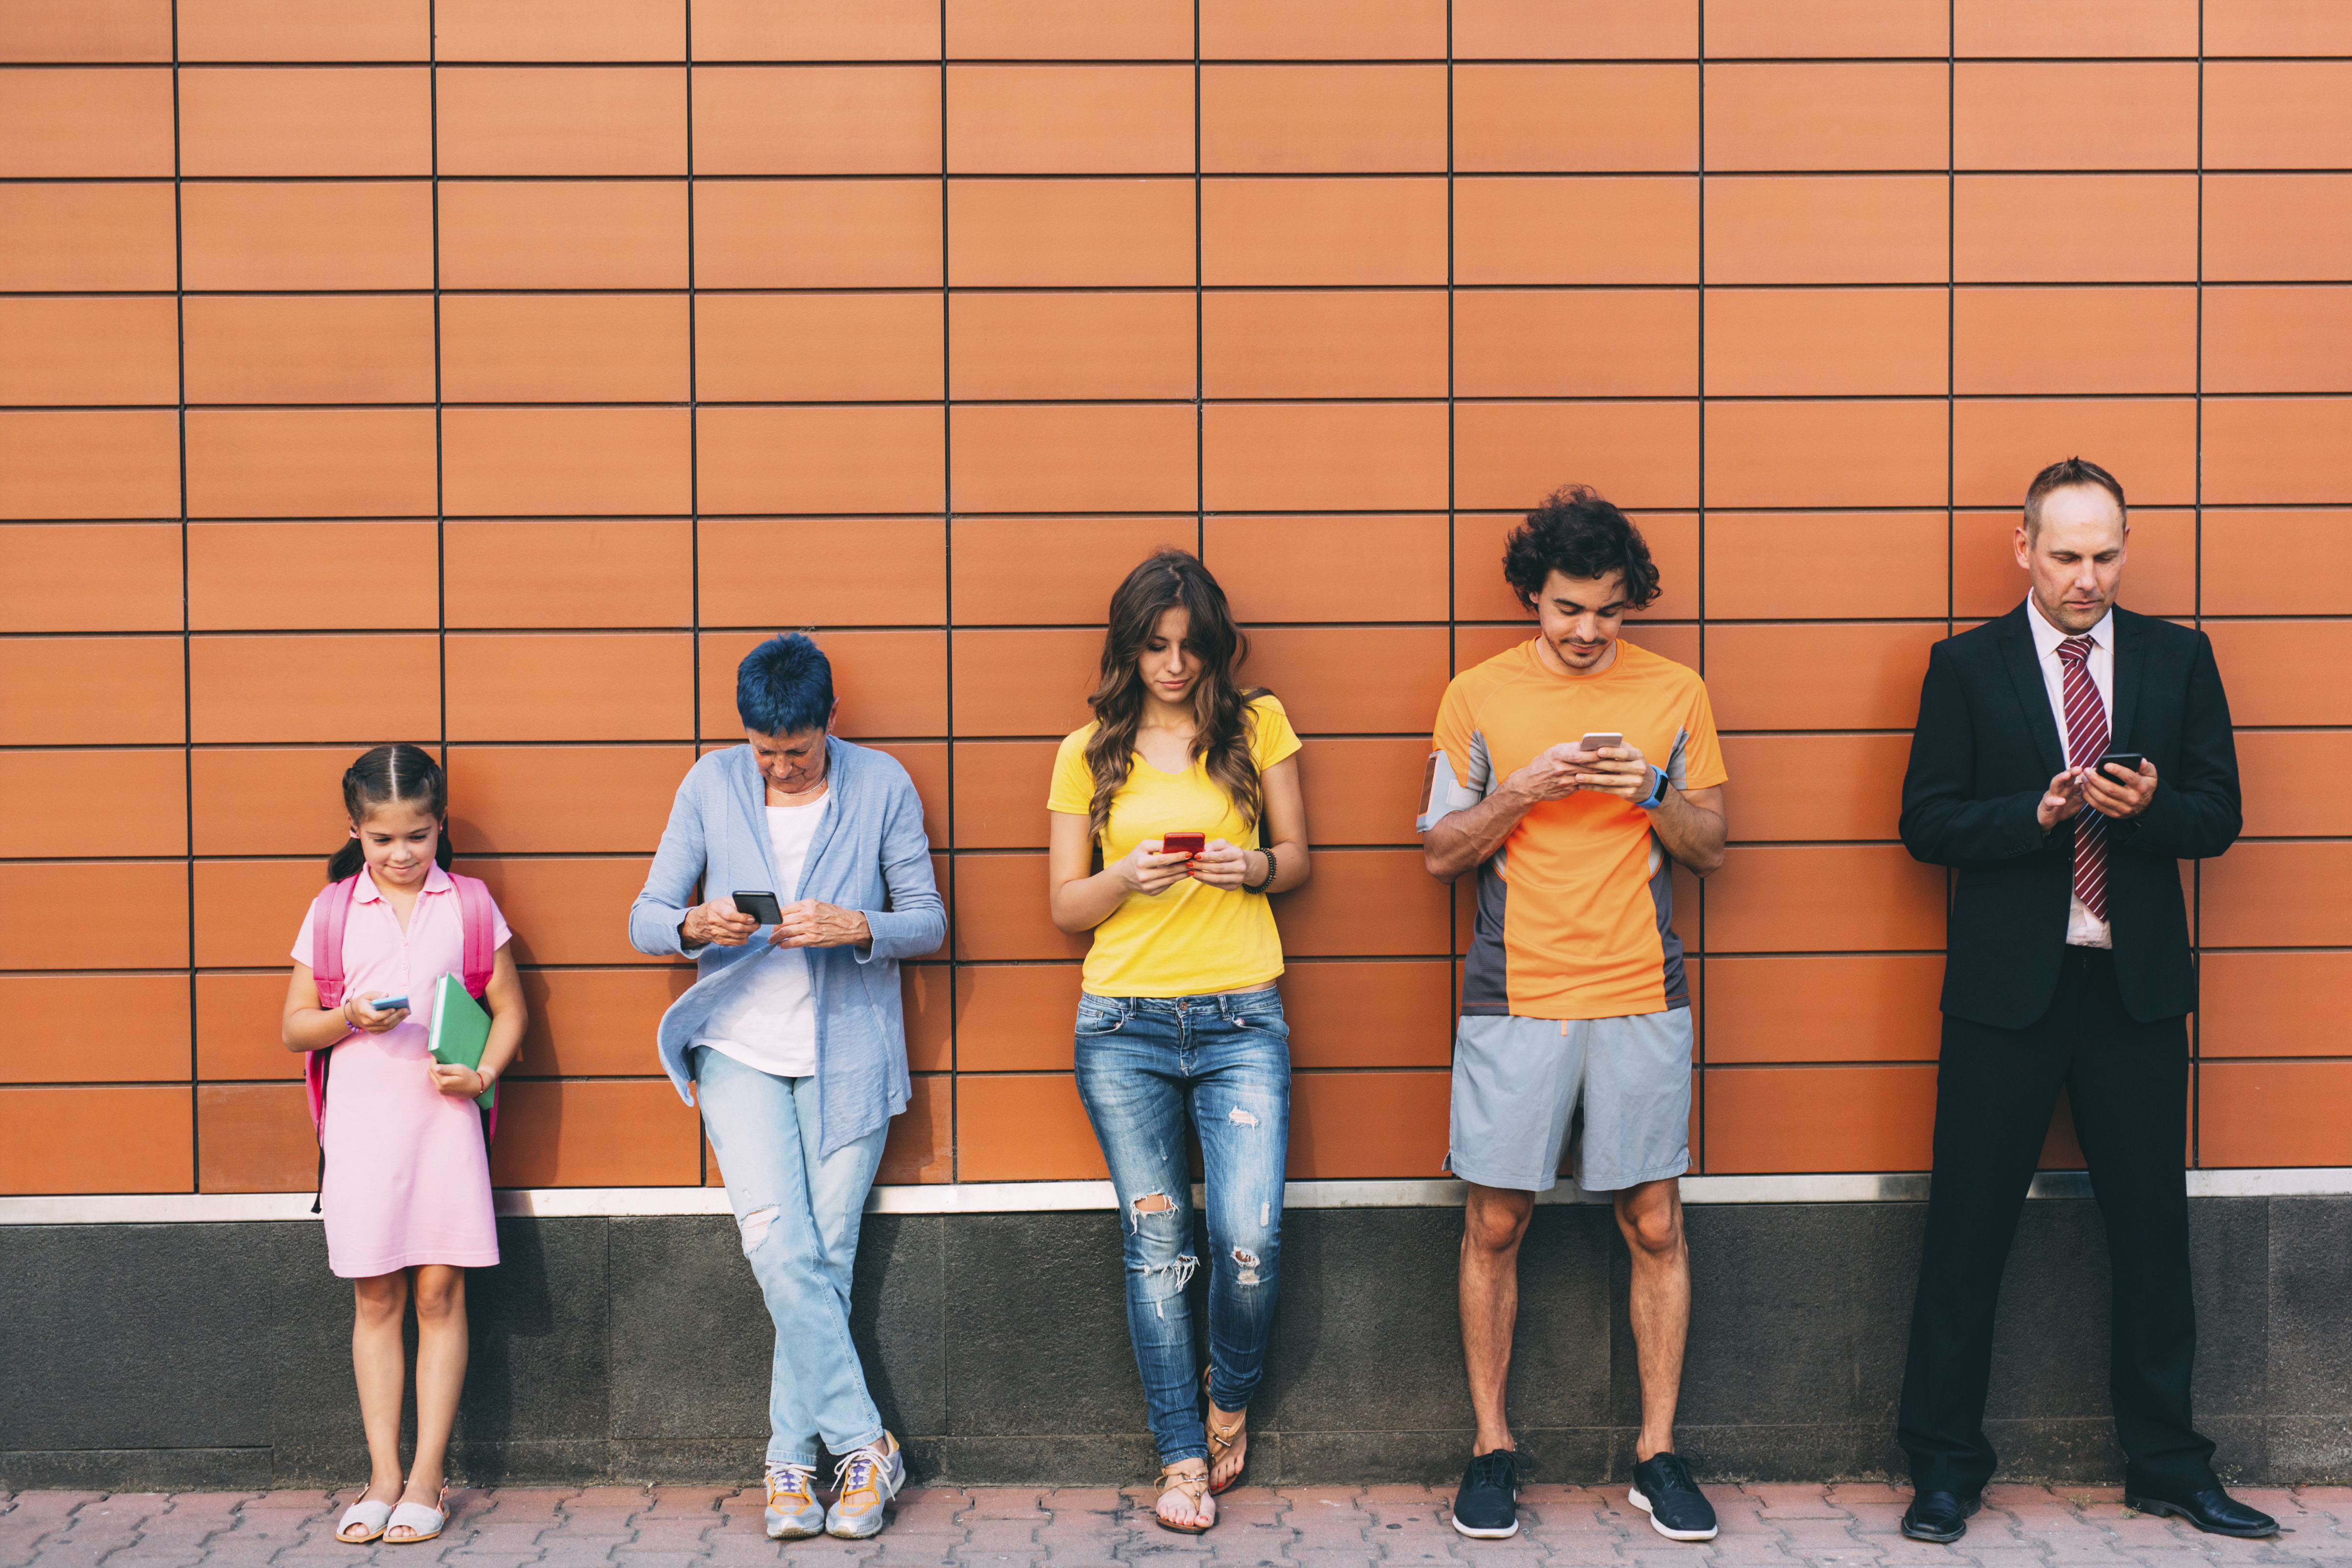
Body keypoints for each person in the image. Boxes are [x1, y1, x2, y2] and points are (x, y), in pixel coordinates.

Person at [1893, 458, 2271, 1542]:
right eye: (2065, 555)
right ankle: (1944, 1468)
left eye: (2106, 554)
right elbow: (1926, 824)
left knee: (2154, 1236)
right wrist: (2039, 813)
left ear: (2125, 545)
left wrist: (2150, 808)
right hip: (2006, 997)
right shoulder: (1964, 668)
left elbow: (2220, 812)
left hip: (2136, 993)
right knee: (1966, 1235)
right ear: (2024, 549)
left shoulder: (2177, 656)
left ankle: (2168, 1465)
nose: (2087, 577)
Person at [1418, 488, 1729, 1544]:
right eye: (1566, 610)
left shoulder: (1677, 692)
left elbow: (1713, 843)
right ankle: (1492, 1449)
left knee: (1654, 1221)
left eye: (1608, 611)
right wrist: (1519, 792)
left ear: (1630, 603)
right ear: (1532, 599)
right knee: (1497, 1222)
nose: (1588, 632)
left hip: (1642, 988)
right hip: (1517, 993)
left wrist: (1652, 791)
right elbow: (1439, 849)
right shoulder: (1477, 694)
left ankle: (1657, 1454)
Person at [628, 634, 945, 1543]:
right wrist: (695, 923)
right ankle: (864, 1446)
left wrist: (857, 926)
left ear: (829, 723)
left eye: (797, 752)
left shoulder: (881, 784)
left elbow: (926, 921)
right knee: (779, 1249)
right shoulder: (710, 784)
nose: (780, 767)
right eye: (765, 753)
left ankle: (792, 1470)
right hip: (737, 1046)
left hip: (847, 1052)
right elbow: (646, 916)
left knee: (825, 1257)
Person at [1045, 550, 1312, 1536]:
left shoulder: (1257, 725)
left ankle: (1229, 1400)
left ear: (1213, 648)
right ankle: (1181, 1455)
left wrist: (1254, 866)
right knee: (1159, 1247)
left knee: (1248, 1241)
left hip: (1243, 1013)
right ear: (1128, 647)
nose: (1173, 664)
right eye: (1154, 646)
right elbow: (1067, 904)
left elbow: (1300, 859)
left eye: (1189, 646)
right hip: (1124, 1026)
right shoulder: (1088, 750)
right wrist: (1127, 879)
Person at [281, 744, 527, 1547]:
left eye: (416, 836)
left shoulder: (474, 903)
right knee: (377, 1297)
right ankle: (382, 1476)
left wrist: (483, 1072)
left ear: (439, 826)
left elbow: (511, 1009)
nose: (400, 854)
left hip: (444, 1126)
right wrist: (349, 1016)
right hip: (360, 1130)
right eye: (382, 839)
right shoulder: (330, 911)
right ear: (354, 831)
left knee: (438, 1294)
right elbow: (294, 1030)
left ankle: (428, 1479)